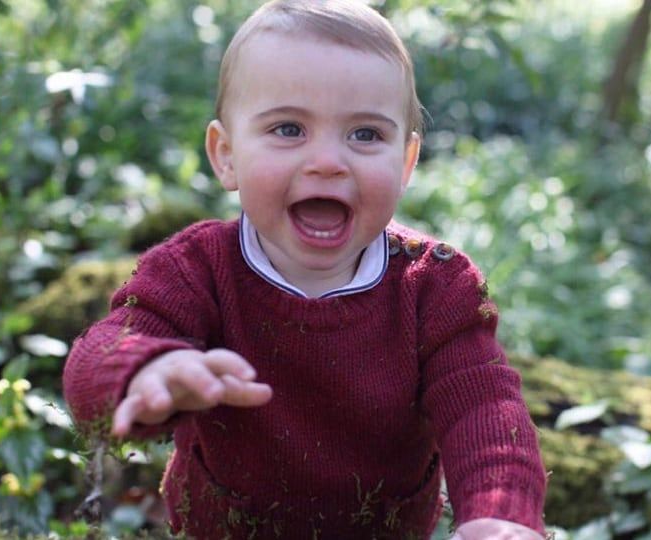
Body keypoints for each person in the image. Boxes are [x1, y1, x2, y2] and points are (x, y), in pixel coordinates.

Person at [62, 0, 546, 538]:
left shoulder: (434, 286)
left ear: (406, 163)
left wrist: (501, 515)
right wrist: (142, 369)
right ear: (225, 155)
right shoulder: (195, 269)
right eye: (289, 128)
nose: (328, 162)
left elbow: (484, 407)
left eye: (365, 134)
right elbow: (98, 357)